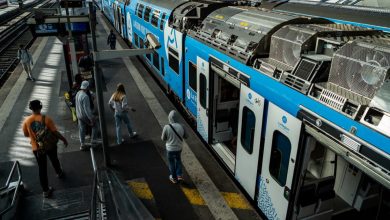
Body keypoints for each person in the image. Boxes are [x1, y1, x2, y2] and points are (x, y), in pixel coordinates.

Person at [22, 100, 68, 198]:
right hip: (50, 145)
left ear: (31, 109)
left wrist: (34, 135)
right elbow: (55, 132)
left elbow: (26, 134)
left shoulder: (26, 121)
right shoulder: (46, 119)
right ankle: (59, 172)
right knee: (54, 159)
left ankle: (46, 191)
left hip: (37, 148)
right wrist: (63, 139)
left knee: (42, 169)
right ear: (40, 107)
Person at [161, 110, 187, 184]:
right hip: (179, 148)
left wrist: (169, 138)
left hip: (170, 149)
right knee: (178, 160)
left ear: (169, 118)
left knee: (171, 162)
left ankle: (174, 178)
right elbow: (186, 136)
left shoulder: (166, 127)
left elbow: (163, 138)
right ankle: (179, 176)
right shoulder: (182, 126)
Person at [75, 81, 99, 150]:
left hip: (79, 115)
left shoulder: (78, 93)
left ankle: (82, 144)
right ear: (87, 87)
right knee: (95, 125)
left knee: (82, 129)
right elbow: (87, 110)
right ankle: (94, 142)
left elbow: (77, 104)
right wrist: (91, 119)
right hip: (85, 116)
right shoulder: (85, 97)